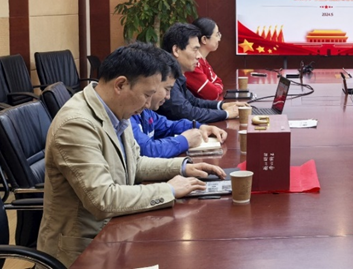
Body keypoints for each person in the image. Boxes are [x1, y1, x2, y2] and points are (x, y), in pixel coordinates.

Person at [37, 43, 226, 267]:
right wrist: (169, 190)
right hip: (84, 251)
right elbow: (103, 200)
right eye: (147, 95)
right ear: (121, 85)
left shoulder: (116, 110)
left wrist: (182, 167)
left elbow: (134, 163)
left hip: (118, 235)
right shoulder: (76, 124)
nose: (148, 104)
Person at [131, 47, 228, 158]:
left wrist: (200, 127)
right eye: (167, 89)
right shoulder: (128, 115)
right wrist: (185, 141)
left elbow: (168, 126)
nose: (168, 97)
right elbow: (147, 150)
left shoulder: (146, 111)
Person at [157, 23, 244, 123]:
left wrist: (222, 105)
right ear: (176, 50)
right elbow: (187, 113)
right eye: (195, 50)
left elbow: (194, 102)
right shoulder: (165, 77)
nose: (199, 56)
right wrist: (226, 113)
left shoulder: (177, 75)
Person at [185, 17, 224, 100]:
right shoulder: (192, 64)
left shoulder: (203, 60)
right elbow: (212, 94)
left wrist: (215, 88)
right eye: (217, 35)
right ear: (204, 39)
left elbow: (218, 82)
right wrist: (215, 89)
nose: (219, 39)